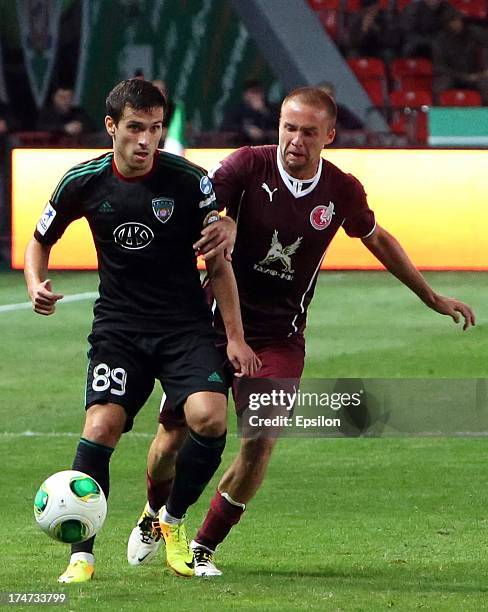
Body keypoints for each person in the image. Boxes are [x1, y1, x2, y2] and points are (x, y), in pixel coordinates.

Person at [127, 86, 476, 577]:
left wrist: (432, 297)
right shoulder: (247, 166)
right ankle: (151, 513)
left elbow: (376, 238)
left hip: (279, 337)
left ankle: (200, 545)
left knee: (260, 439)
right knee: (173, 436)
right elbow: (201, 209)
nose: (295, 140)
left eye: (309, 132)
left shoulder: (341, 190)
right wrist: (220, 222)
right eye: (289, 128)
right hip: (211, 324)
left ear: (329, 135)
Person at [24, 79, 260, 583]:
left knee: (210, 419)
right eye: (135, 128)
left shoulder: (189, 182)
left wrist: (235, 337)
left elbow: (217, 264)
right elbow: (39, 240)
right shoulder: (81, 182)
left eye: (154, 128)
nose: (146, 139)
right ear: (112, 127)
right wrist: (34, 283)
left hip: (184, 328)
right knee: (101, 427)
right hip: (119, 328)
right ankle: (81, 557)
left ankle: (170, 522)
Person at [433, 11, 488, 104]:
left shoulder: (474, 34)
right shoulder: (440, 40)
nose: (456, 24)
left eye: (458, 21)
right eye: (453, 22)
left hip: (474, 74)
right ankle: (440, 116)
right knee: (439, 86)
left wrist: (484, 70)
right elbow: (439, 66)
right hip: (453, 75)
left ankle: (484, 115)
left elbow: (484, 49)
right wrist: (463, 76)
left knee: (486, 85)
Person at [222, 79, 277, 146]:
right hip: (243, 146)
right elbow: (226, 127)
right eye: (253, 92)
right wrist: (246, 130)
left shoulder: (270, 108)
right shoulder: (236, 110)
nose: (256, 95)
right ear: (245, 95)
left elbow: (278, 124)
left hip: (267, 146)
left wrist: (263, 110)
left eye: (258, 92)